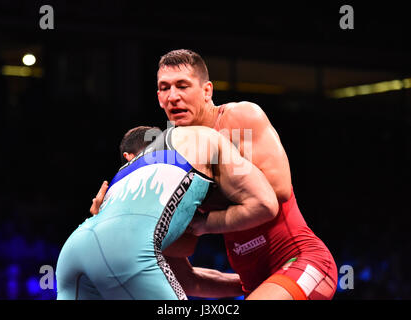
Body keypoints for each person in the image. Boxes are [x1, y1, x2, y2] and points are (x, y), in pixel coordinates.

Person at [91, 49, 338, 300]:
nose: (173, 96)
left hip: (304, 260)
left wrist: (200, 217)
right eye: (165, 88)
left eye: (182, 86)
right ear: (158, 98)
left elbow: (278, 189)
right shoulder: (169, 156)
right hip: (262, 283)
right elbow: (188, 280)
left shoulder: (239, 119)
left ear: (207, 91)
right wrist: (118, 215)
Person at [56, 125, 279, 299]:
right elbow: (266, 204)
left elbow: (188, 280)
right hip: (127, 252)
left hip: (72, 251)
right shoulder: (196, 144)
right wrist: (206, 224)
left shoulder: (119, 182)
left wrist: (250, 284)